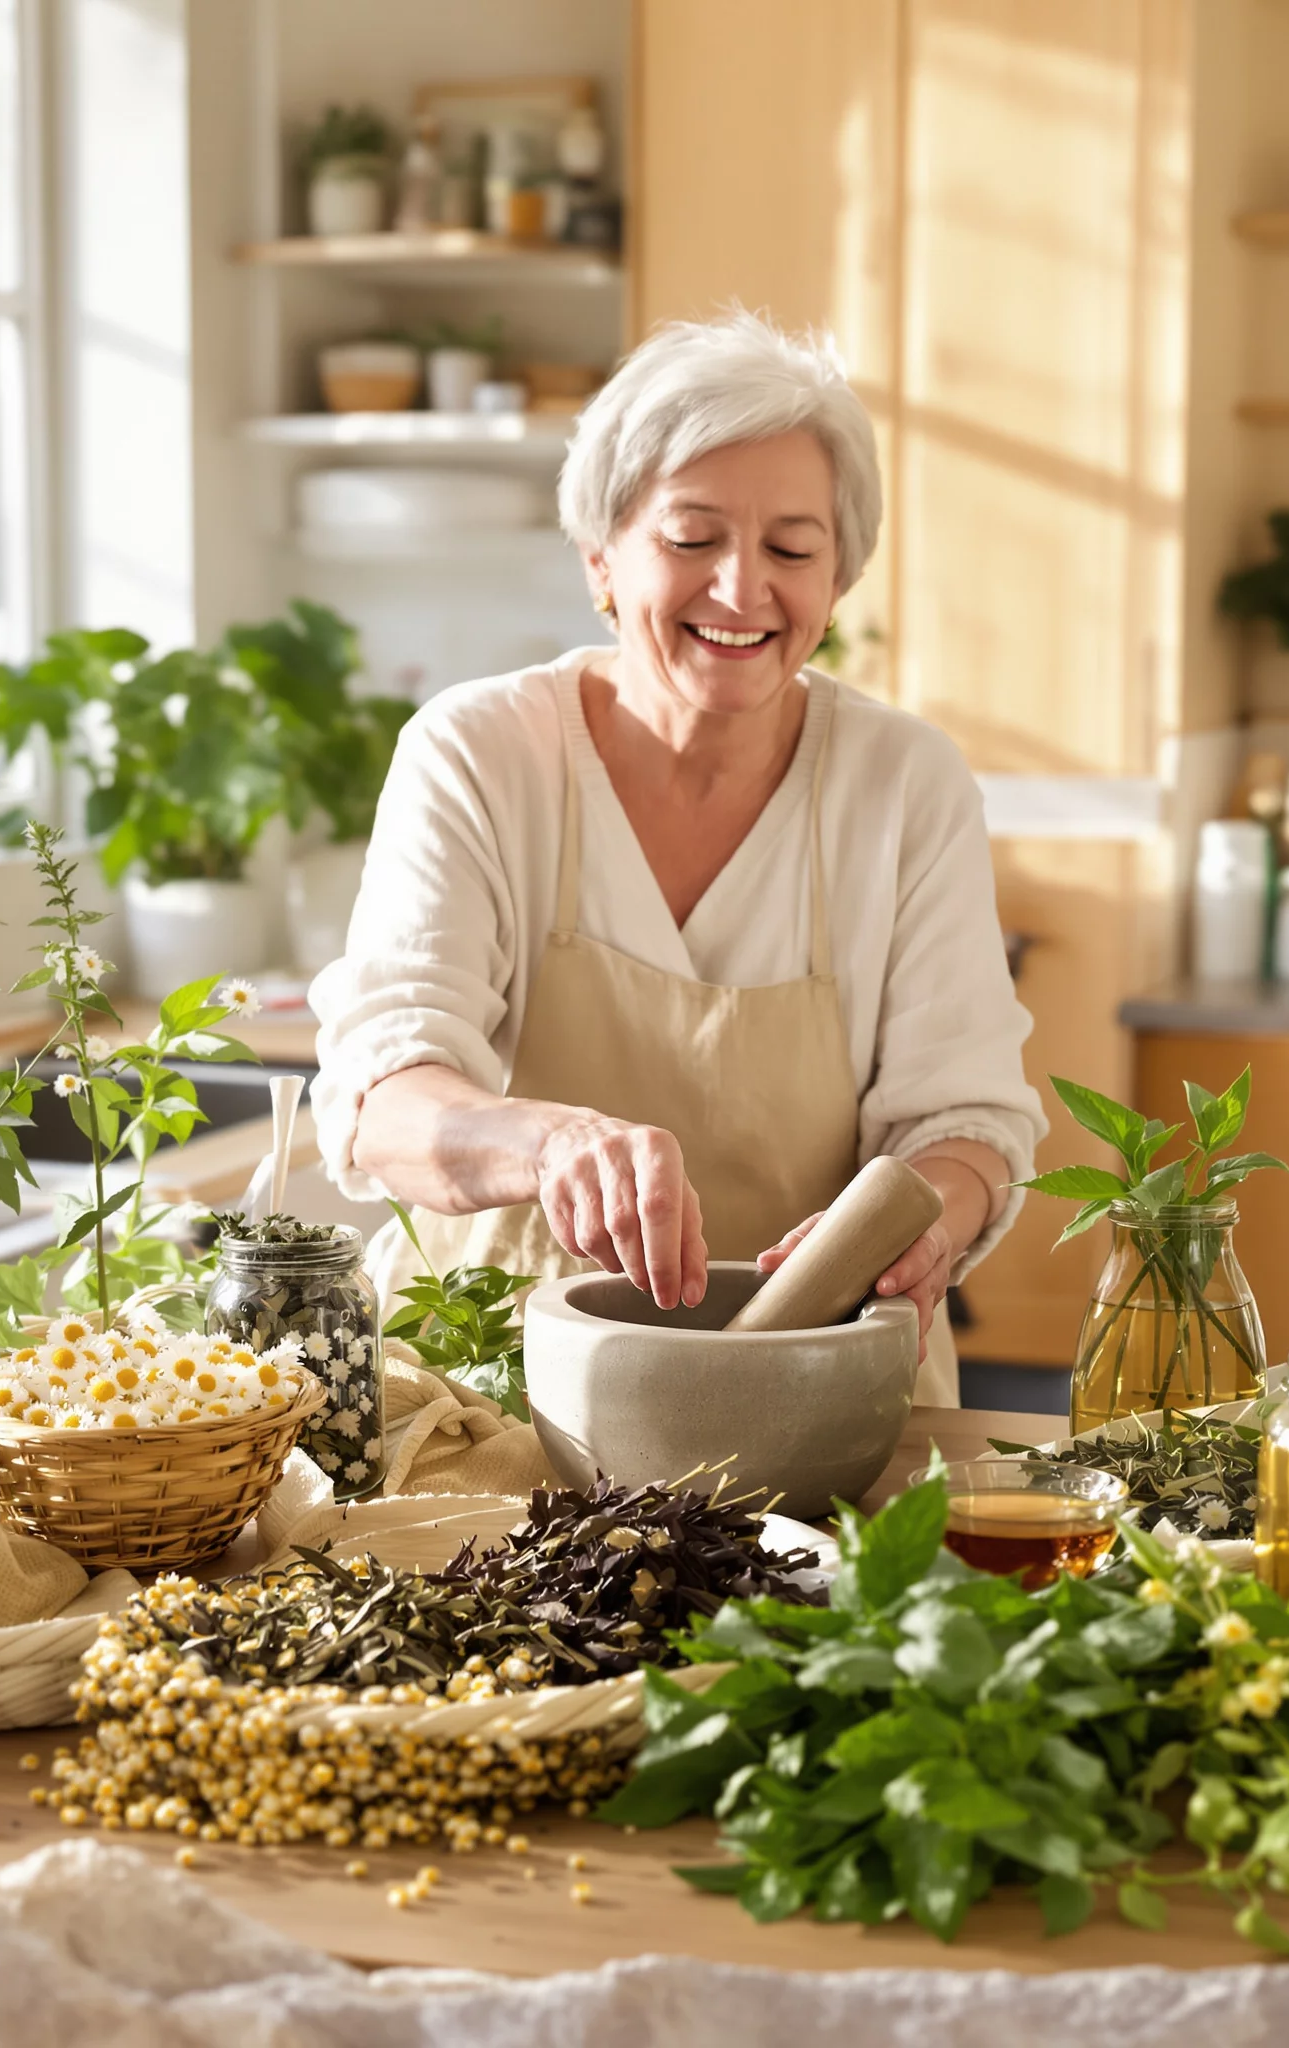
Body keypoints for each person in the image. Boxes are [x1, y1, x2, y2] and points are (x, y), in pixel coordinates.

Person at [308, 312, 1045, 1405]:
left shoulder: (902, 782)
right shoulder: (479, 753)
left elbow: (967, 1120)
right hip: (489, 1396)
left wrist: (928, 1220)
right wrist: (550, 1142)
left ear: (836, 580)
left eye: (791, 548)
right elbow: (382, 1098)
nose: (742, 590)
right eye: (691, 538)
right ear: (601, 559)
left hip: (819, 1392)